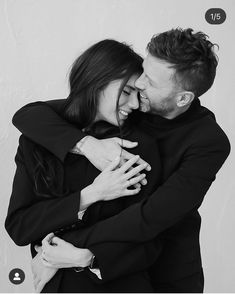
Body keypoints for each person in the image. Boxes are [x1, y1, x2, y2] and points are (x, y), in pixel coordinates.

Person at [9, 28, 230, 293]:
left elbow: (150, 217)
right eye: (143, 71)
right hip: (106, 270)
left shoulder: (208, 142)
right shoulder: (129, 111)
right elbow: (30, 114)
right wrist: (87, 146)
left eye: (150, 80)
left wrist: (61, 250)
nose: (139, 84)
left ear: (182, 98)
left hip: (167, 272)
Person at [5, 39, 163, 293]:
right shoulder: (37, 140)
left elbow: (148, 237)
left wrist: (84, 257)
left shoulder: (136, 147)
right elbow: (20, 227)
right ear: (96, 80)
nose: (134, 104)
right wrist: (89, 195)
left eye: (138, 94)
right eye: (126, 91)